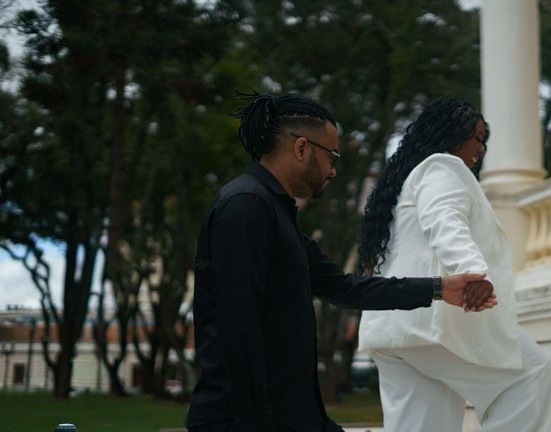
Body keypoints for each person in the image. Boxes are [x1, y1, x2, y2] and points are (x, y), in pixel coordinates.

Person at [186, 93, 497, 432]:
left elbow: (344, 288)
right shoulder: (244, 207)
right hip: (245, 421)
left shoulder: (275, 213)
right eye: (331, 155)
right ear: (301, 148)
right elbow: (238, 328)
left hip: (293, 415)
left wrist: (439, 288)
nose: (333, 170)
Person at [358, 98, 551, 432]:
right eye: (476, 137)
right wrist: (472, 272)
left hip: (393, 327)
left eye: (484, 140)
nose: (481, 148)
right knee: (530, 375)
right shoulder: (442, 167)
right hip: (429, 324)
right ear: (450, 134)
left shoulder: (407, 180)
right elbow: (444, 220)